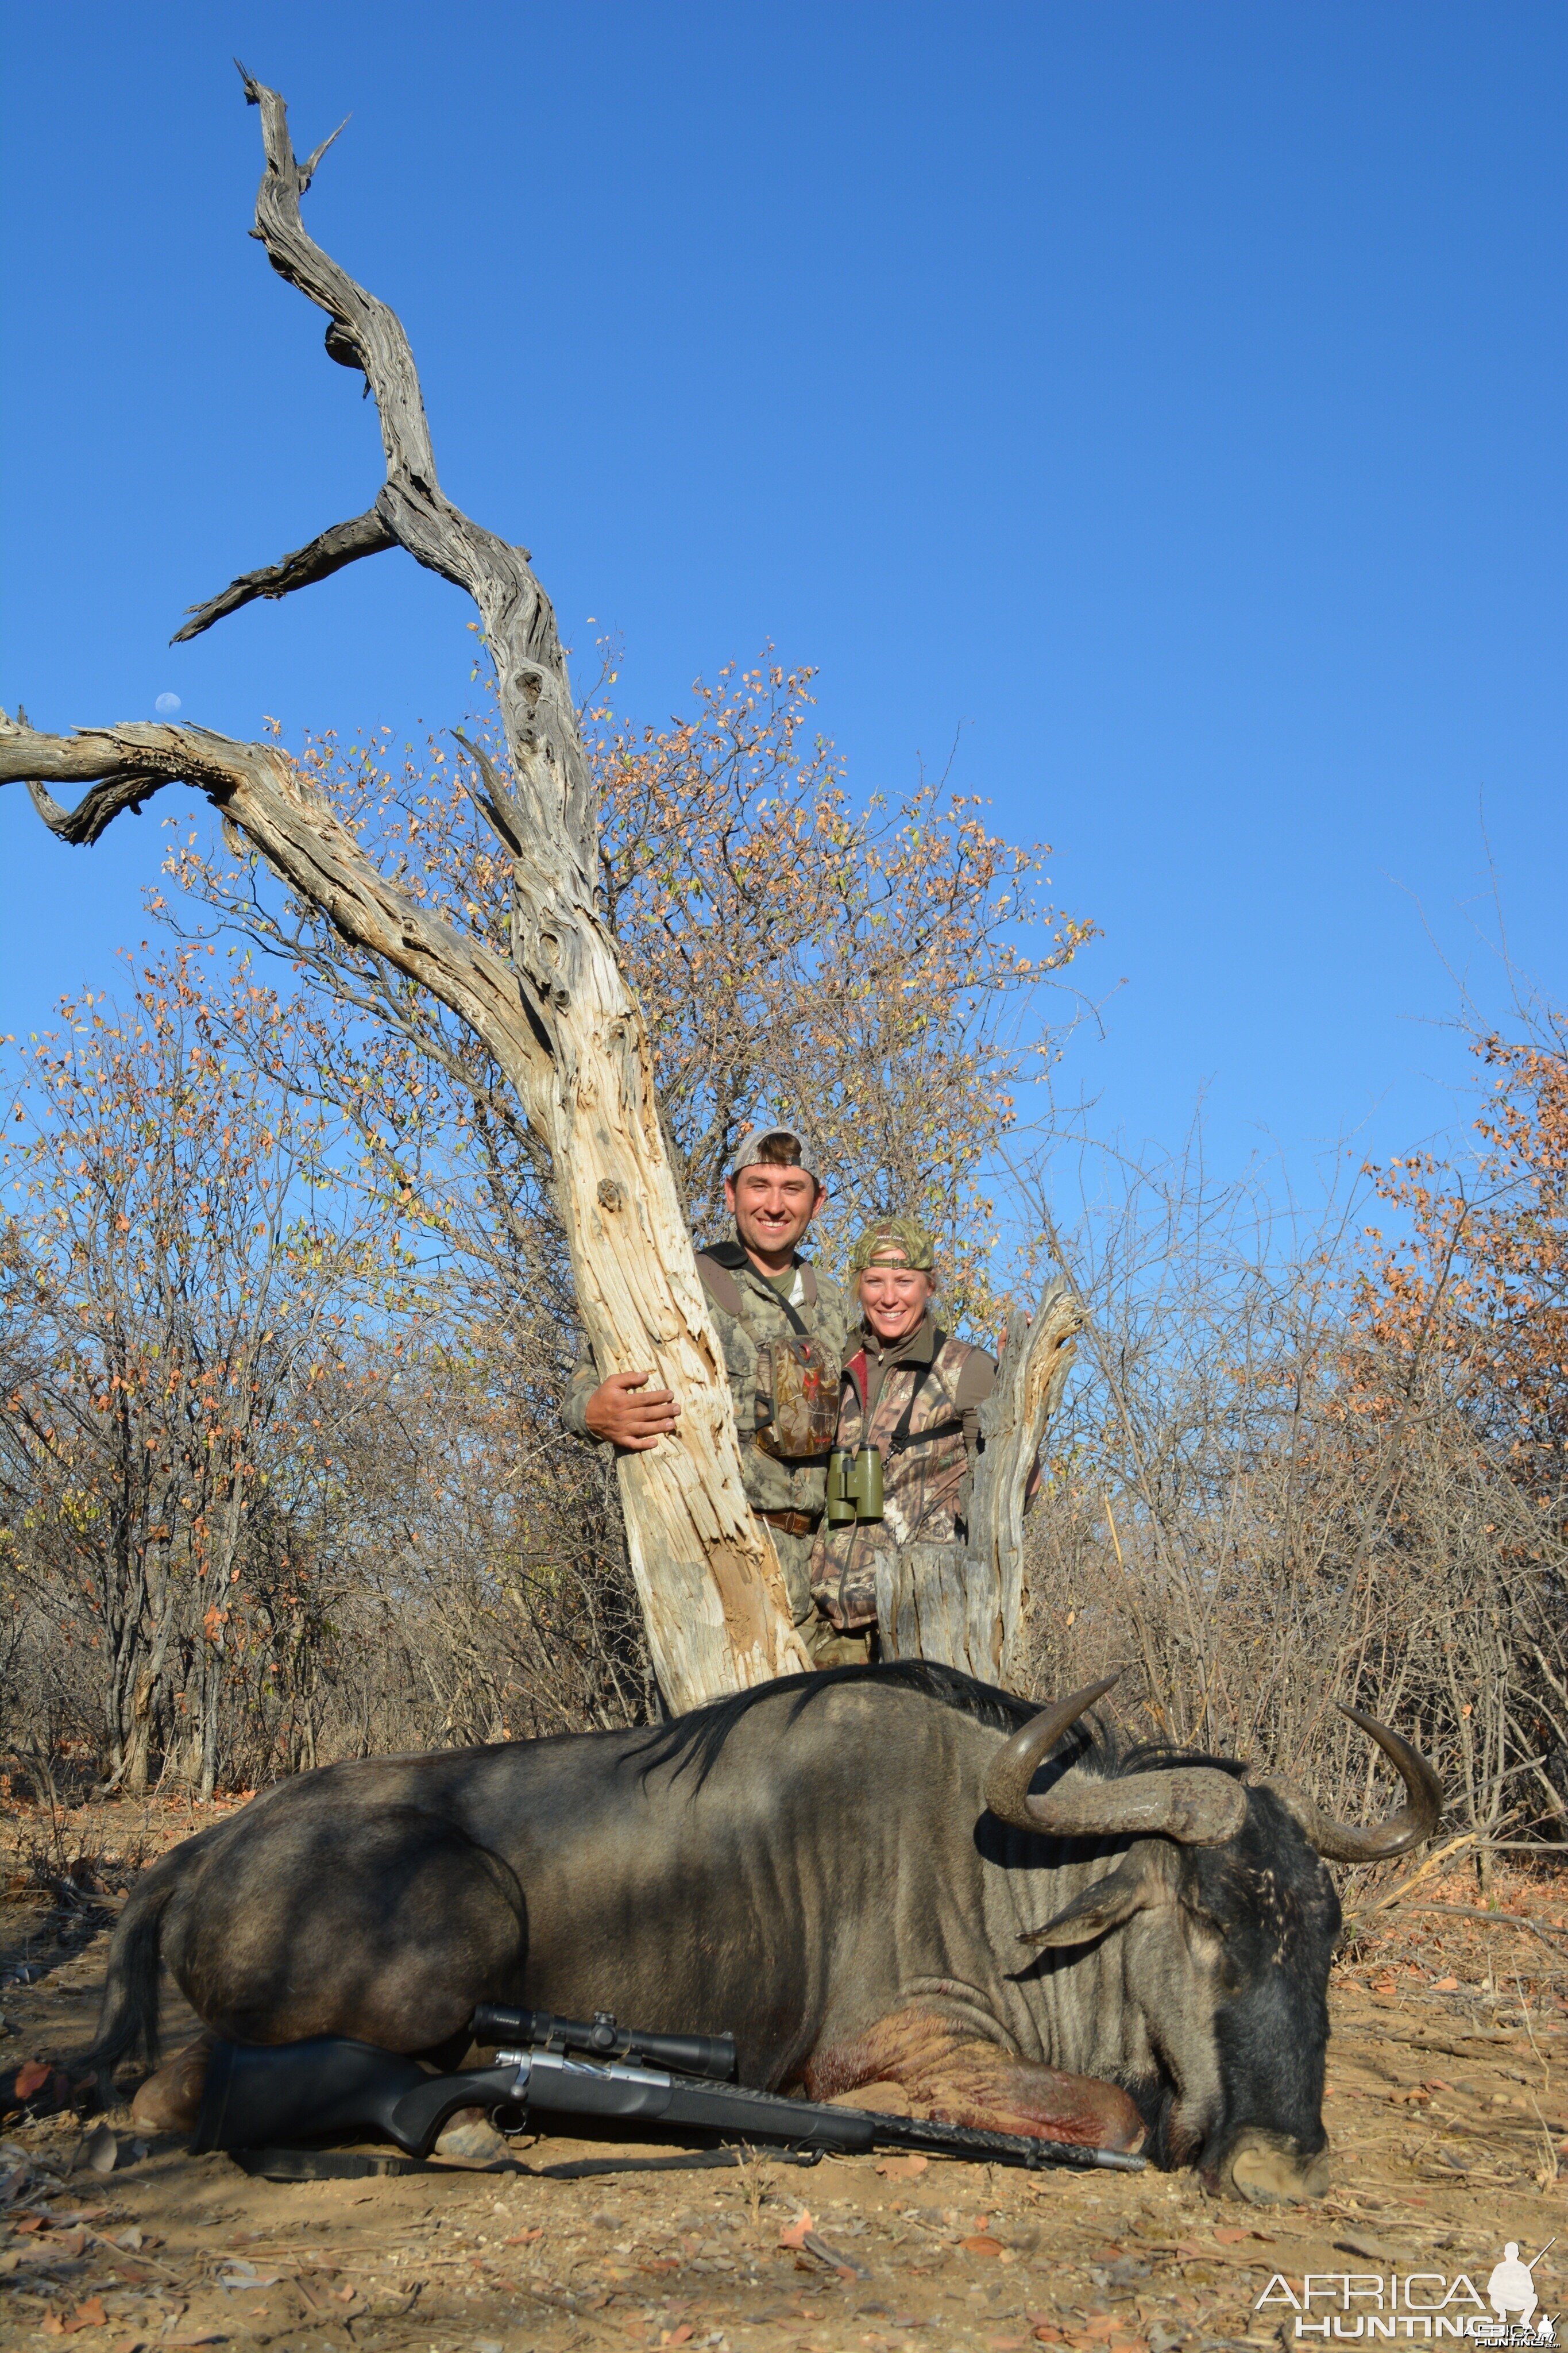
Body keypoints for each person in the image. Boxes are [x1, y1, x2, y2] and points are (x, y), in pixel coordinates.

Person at [564, 1127, 849, 1639]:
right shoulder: (680, 1282)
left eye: (793, 1188)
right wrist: (591, 1412)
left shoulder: (839, 1305)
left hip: (819, 1581)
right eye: (759, 1185)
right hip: (715, 1563)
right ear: (730, 1192)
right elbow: (588, 1380)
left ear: (818, 1201)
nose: (775, 1205)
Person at [808, 1216, 998, 1666]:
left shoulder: (967, 1369)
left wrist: (1023, 1394)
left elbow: (1006, 1486)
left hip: (919, 1625)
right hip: (825, 1624)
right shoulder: (836, 1362)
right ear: (859, 1286)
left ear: (929, 1286)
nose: (889, 1297)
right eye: (874, 1281)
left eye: (904, 1281)